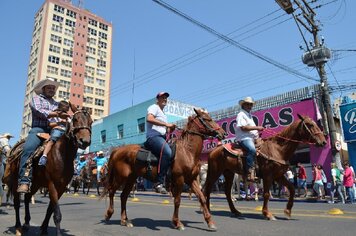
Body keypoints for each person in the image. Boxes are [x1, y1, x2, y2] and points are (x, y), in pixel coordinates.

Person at [17, 78, 69, 193]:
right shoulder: (36, 99)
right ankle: (24, 180)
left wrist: (62, 121)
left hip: (53, 129)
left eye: (53, 88)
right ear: (43, 89)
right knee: (28, 149)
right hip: (38, 129)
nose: (51, 90)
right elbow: (40, 112)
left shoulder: (57, 104)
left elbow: (55, 121)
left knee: (68, 147)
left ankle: (66, 177)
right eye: (49, 87)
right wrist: (57, 114)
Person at [144, 92, 176, 194]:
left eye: (166, 98)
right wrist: (166, 124)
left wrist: (170, 129)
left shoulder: (163, 115)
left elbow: (165, 130)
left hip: (161, 137)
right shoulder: (154, 107)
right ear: (157, 99)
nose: (165, 99)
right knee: (167, 152)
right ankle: (158, 183)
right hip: (153, 137)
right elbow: (149, 119)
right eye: (163, 97)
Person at [235, 97, 264, 181]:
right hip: (244, 138)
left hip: (252, 138)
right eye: (247, 104)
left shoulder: (249, 115)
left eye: (251, 104)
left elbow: (252, 130)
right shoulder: (241, 114)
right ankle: (248, 172)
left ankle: (258, 171)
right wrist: (257, 127)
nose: (249, 106)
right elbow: (243, 127)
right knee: (252, 150)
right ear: (243, 105)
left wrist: (257, 136)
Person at [38, 100, 70, 166]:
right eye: (66, 108)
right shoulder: (54, 114)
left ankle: (72, 162)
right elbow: (49, 124)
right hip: (57, 129)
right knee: (53, 140)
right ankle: (44, 156)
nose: (66, 110)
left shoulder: (67, 116)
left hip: (65, 132)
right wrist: (59, 123)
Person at [0, 133, 14, 204]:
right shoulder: (2, 140)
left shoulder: (8, 144)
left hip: (5, 159)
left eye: (9, 137)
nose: (9, 138)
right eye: (8, 137)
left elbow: (9, 151)